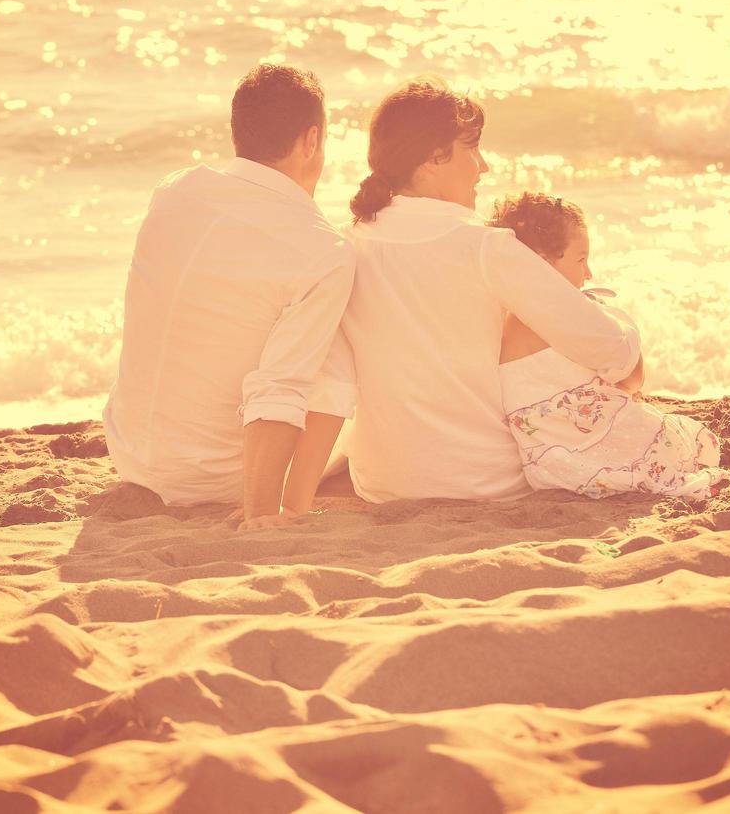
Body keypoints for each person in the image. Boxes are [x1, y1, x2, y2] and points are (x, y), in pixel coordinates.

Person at [283, 77, 641, 507]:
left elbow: (334, 383)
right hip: (486, 482)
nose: (483, 167)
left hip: (383, 484)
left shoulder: (346, 245)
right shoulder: (486, 247)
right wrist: (628, 338)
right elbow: (609, 350)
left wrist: (292, 501)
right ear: (435, 157)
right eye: (472, 149)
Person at [102, 64, 354, 529]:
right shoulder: (323, 248)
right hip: (217, 480)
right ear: (312, 140)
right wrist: (261, 512)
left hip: (133, 458)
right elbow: (281, 386)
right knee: (343, 345)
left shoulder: (174, 192)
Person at [492, 192, 728, 500]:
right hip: (590, 447)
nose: (588, 273)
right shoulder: (563, 313)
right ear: (541, 264)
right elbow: (633, 376)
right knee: (686, 440)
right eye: (580, 259)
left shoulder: (504, 318)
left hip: (550, 464)